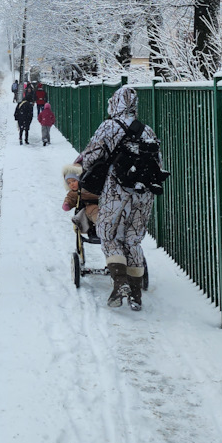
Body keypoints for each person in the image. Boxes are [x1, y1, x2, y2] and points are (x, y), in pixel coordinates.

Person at [78, 86, 156, 310]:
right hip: (143, 191)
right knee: (132, 238)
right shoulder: (147, 131)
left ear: (115, 103)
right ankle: (136, 293)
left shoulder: (109, 126)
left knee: (109, 233)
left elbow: (91, 157)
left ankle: (119, 282)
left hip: (116, 190)